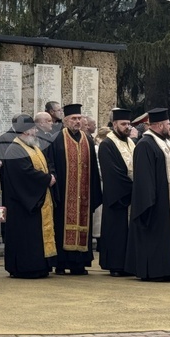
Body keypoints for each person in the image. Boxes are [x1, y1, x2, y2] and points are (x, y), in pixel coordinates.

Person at [126, 108, 170, 281]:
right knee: (157, 237)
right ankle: (156, 271)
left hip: (169, 202)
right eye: (168, 124)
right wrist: (150, 202)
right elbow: (144, 179)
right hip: (157, 203)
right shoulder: (146, 144)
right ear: (160, 125)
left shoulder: (166, 143)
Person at [47, 103, 102, 275]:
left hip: (84, 194)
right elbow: (51, 164)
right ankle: (62, 263)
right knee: (63, 226)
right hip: (65, 194)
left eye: (79, 118)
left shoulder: (88, 139)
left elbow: (93, 169)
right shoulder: (56, 138)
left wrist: (94, 194)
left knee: (84, 226)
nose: (77, 122)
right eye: (73, 119)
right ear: (65, 121)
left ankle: (80, 263)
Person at [0, 115, 56, 278]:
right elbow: (24, 174)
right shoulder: (15, 149)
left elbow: (46, 164)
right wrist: (47, 179)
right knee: (25, 237)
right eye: (32, 129)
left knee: (35, 237)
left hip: (36, 198)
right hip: (23, 204)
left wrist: (51, 175)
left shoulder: (33, 147)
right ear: (24, 131)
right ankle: (25, 268)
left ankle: (40, 266)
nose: (35, 132)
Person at [97, 108, 135, 277]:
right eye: (123, 124)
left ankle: (127, 264)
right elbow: (113, 173)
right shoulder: (107, 144)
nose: (127, 127)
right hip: (117, 196)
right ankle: (115, 265)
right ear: (114, 125)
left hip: (130, 194)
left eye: (128, 124)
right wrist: (133, 187)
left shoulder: (130, 142)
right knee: (116, 232)